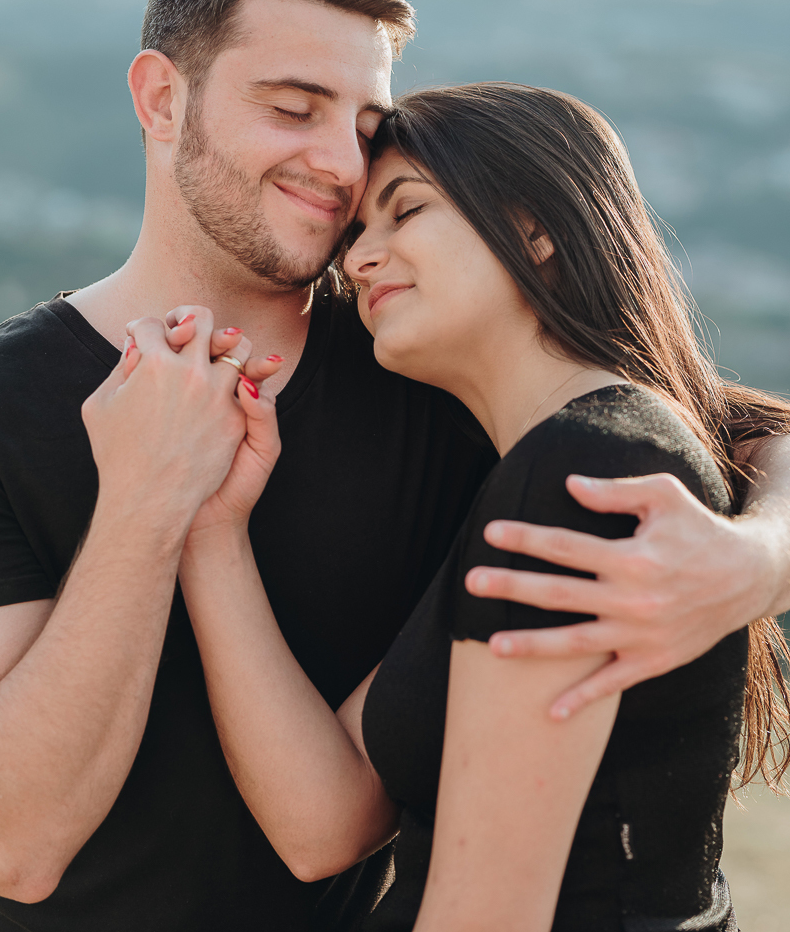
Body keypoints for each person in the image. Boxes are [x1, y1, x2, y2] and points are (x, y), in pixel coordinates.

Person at [0, 0, 787, 932]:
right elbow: (11, 845)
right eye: (291, 108)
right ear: (160, 100)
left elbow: (697, 420)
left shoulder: (429, 353)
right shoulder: (5, 402)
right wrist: (156, 499)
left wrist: (759, 558)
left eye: (365, 124)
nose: (337, 165)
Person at [134, 82, 790, 932]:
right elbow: (321, 822)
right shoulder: (543, 460)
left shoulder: (586, 472)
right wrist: (211, 524)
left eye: (405, 212)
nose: (359, 257)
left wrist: (761, 558)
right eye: (358, 234)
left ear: (535, 227)